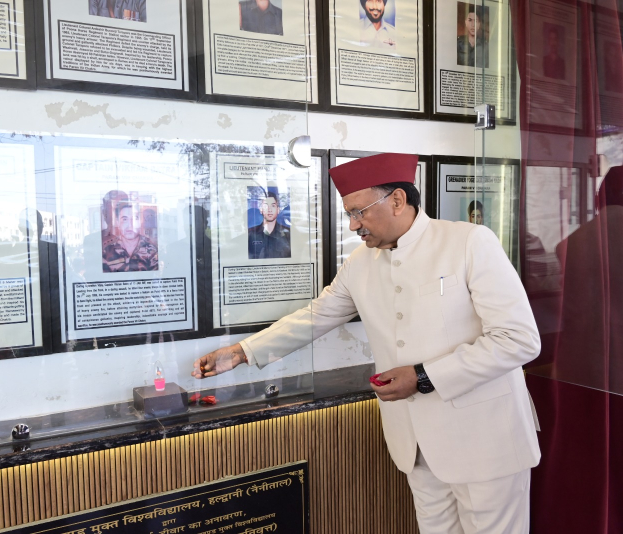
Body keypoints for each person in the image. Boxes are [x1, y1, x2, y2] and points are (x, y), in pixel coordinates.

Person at [193, 153, 541, 533]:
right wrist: (241, 352)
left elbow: (518, 339)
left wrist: (423, 376)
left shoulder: (468, 242)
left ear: (397, 200)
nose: (353, 225)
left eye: (359, 212)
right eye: (349, 214)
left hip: (485, 438)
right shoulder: (360, 262)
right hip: (415, 445)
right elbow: (315, 316)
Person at [102, 202, 158, 272]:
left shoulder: (152, 250)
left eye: (135, 218)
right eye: (125, 219)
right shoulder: (107, 251)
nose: (130, 225)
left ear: (141, 222)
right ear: (117, 222)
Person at [248, 192, 291, 259]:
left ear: (278, 210)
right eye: (266, 206)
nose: (269, 210)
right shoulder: (250, 235)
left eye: (273, 206)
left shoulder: (288, 234)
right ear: (261, 209)